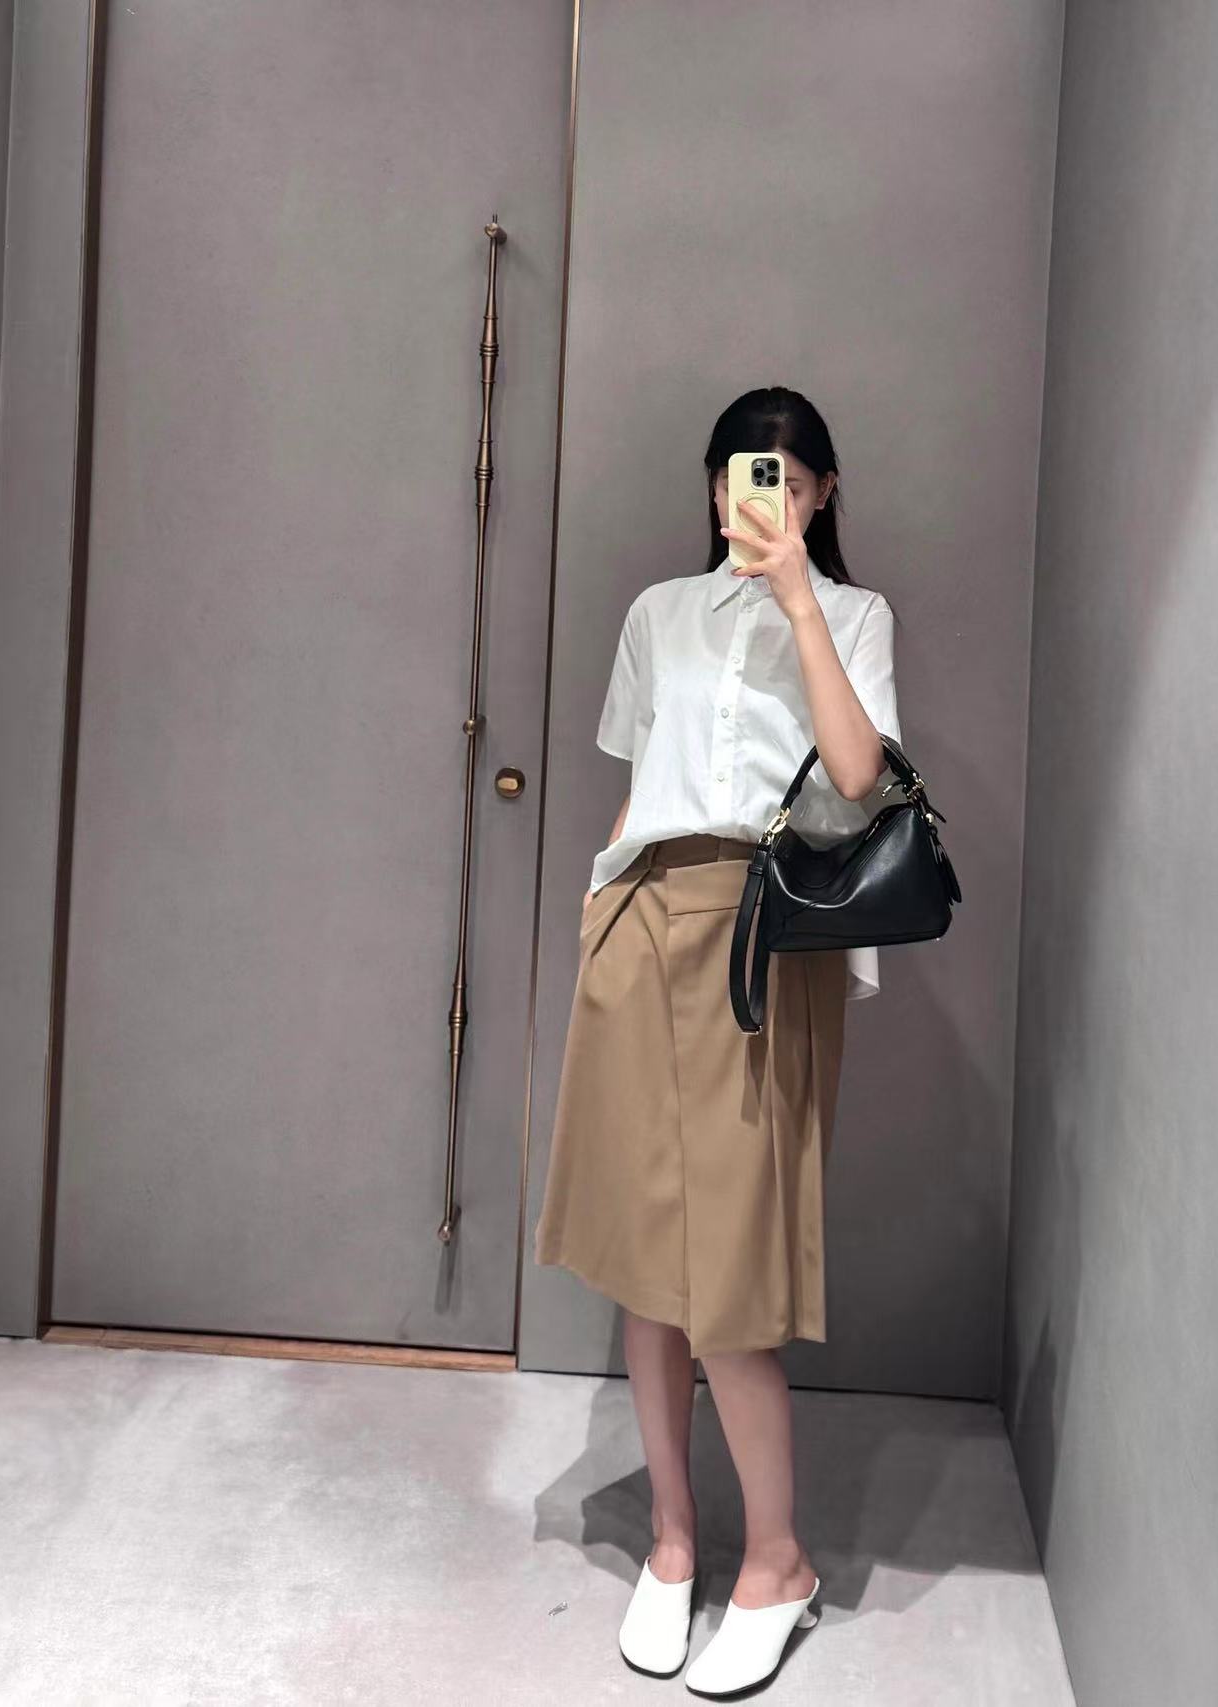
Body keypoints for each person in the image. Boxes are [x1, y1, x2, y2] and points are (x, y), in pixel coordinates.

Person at [533, 386, 902, 1696]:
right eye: (750, 476)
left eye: (791, 480)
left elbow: (859, 782)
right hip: (644, 925)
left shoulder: (855, 616)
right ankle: (676, 1543)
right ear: (713, 486)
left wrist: (798, 598)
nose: (768, 497)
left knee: (730, 1274)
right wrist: (598, 926)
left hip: (767, 939)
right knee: (648, 1259)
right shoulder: (657, 615)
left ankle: (780, 1563)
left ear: (823, 493)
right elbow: (641, 787)